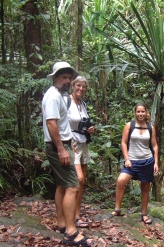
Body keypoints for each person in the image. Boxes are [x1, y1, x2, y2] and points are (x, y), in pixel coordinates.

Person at [42, 61, 93, 246]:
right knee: (73, 186)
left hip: (63, 143)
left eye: (69, 78)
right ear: (55, 78)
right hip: (57, 146)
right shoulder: (54, 96)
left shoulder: (57, 95)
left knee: (62, 186)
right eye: (64, 77)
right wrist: (61, 148)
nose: (67, 81)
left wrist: (67, 143)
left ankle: (62, 224)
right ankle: (71, 232)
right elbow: (51, 123)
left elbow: (60, 125)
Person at [111, 102, 159, 224]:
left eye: (143, 111)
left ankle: (144, 214)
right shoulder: (129, 125)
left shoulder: (150, 127)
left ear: (146, 112)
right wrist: (126, 159)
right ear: (135, 113)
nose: (140, 114)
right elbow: (123, 143)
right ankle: (117, 209)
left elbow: (154, 145)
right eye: (138, 111)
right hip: (132, 161)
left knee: (145, 188)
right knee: (121, 181)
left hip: (147, 161)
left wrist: (156, 162)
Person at [67, 76, 95, 227]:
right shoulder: (66, 102)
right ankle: (69, 215)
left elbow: (84, 124)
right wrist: (66, 144)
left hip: (84, 142)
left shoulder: (82, 104)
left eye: (83, 87)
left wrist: (91, 129)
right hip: (72, 142)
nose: (81, 89)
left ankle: (77, 214)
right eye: (78, 85)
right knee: (77, 179)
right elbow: (60, 123)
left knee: (83, 180)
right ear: (73, 86)